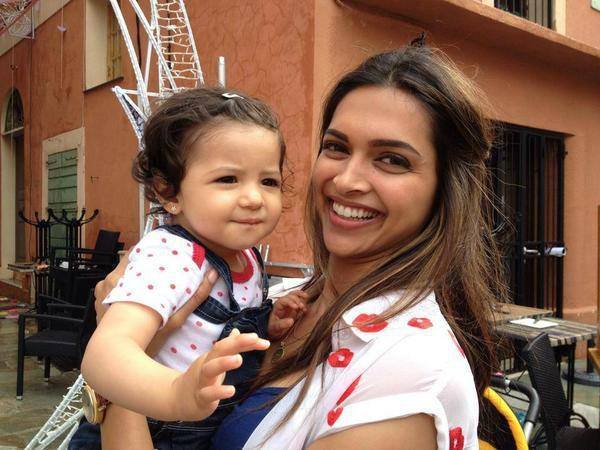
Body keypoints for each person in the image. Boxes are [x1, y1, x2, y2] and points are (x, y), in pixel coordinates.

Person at [93, 44, 506, 450]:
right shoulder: (285, 292)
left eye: (392, 159)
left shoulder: (407, 378)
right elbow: (118, 350)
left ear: (444, 190)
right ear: (170, 191)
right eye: (337, 147)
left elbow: (116, 361)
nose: (346, 180)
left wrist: (124, 399)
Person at [78, 87, 308, 449]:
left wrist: (268, 320)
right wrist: (174, 393)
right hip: (157, 427)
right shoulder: (172, 256)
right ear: (170, 192)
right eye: (228, 179)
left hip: (200, 427)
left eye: (269, 181)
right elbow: (105, 352)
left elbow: (214, 329)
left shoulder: (246, 257)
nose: (253, 198)